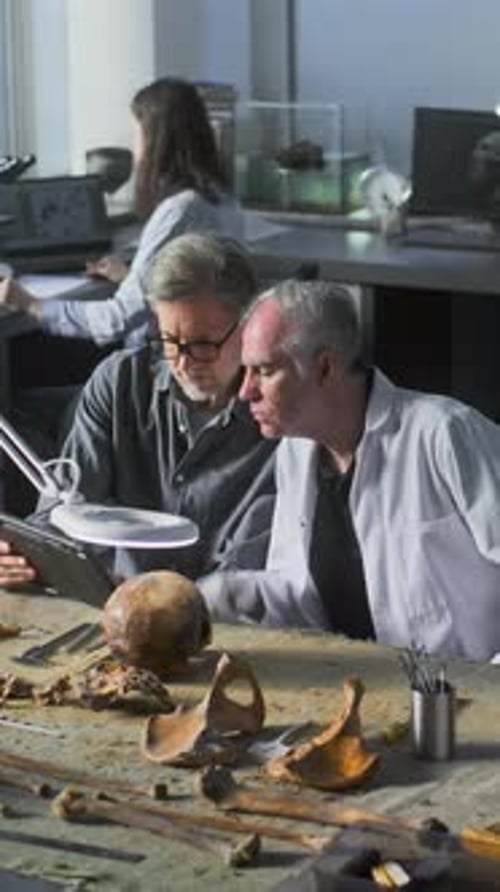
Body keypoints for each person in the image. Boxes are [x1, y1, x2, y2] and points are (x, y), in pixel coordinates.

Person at [198, 279, 500, 661]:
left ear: (325, 368)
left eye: (264, 370)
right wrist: (213, 595)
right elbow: (304, 597)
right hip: (373, 688)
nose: (245, 392)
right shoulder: (296, 452)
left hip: (475, 697)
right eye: (245, 371)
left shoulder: (445, 434)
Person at [0, 233, 277, 586]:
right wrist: (25, 555)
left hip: (228, 621)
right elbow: (62, 515)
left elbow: (260, 581)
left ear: (249, 325)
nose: (184, 363)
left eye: (203, 345)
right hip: (114, 605)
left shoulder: (280, 416)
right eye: (170, 342)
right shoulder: (120, 384)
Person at [0, 77, 244, 348]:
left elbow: (115, 320)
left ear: (157, 142)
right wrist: (130, 279)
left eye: (138, 136)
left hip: (156, 371)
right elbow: (187, 290)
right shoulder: (222, 198)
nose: (137, 151)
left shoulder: (181, 210)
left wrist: (31, 304)